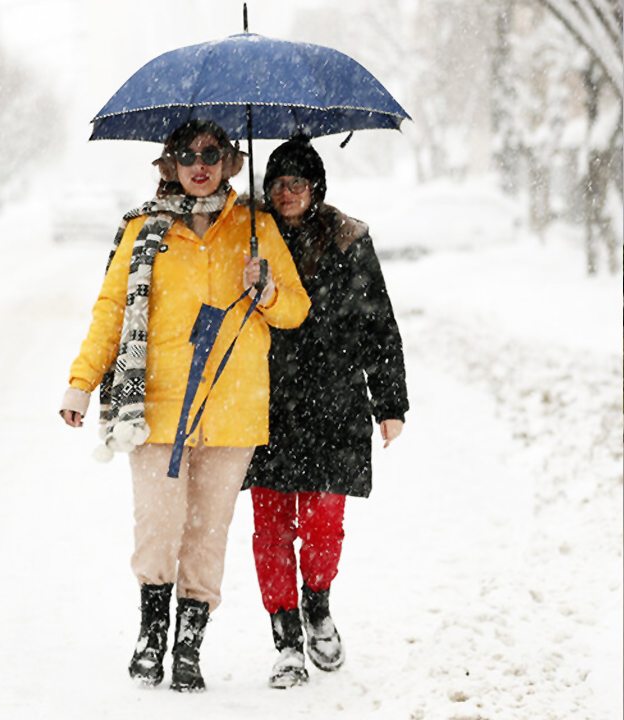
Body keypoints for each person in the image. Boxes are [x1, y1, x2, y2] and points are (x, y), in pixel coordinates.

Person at [59, 120, 310, 692]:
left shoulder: (255, 228)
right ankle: (151, 637)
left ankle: (189, 644)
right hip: (158, 406)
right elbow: (112, 309)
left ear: (229, 161)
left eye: (213, 154)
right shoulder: (144, 230)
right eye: (188, 155)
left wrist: (265, 288)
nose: (201, 164)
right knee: (159, 524)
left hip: (233, 407)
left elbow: (295, 309)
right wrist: (81, 381)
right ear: (169, 163)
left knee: (208, 532)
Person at [243, 136, 409, 689]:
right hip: (263, 403)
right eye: (277, 183)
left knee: (322, 524)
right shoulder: (251, 238)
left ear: (316, 188)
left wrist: (389, 403)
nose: (286, 193)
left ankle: (317, 605)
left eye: (297, 182)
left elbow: (378, 324)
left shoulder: (348, 239)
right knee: (269, 527)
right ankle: (285, 636)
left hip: (332, 402)